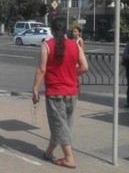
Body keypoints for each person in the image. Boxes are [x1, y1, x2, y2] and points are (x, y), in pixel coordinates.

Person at [32, 17, 88, 169]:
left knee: (60, 124)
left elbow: (42, 69)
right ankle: (49, 152)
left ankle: (69, 158)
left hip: (55, 92)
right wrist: (71, 74)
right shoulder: (75, 45)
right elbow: (85, 67)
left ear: (51, 29)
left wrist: (35, 88)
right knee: (64, 124)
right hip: (72, 92)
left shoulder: (47, 45)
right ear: (66, 30)